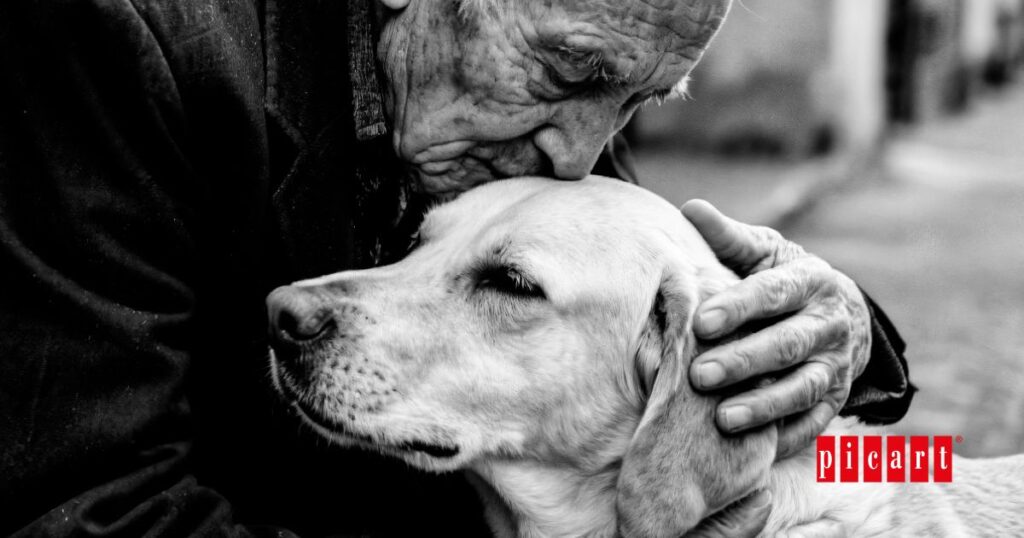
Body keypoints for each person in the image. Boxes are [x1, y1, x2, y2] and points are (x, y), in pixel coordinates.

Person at [0, 0, 913, 536]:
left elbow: (890, 461)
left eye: (634, 101)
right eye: (570, 75)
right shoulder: (121, 37)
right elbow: (85, 503)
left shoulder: (537, 122)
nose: (581, 157)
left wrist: (841, 333)